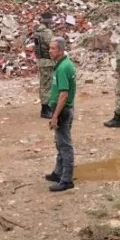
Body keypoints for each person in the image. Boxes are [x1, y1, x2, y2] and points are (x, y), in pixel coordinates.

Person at [45, 37, 76, 192]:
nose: (50, 51)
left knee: (64, 145)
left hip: (62, 110)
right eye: (50, 48)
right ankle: (58, 172)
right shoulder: (64, 64)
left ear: (61, 50)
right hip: (64, 108)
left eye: (53, 49)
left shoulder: (63, 67)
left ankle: (66, 179)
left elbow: (64, 94)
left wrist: (55, 115)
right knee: (60, 142)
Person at [33, 13, 55, 119]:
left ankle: (45, 108)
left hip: (41, 60)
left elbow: (37, 47)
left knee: (44, 84)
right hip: (48, 61)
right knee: (47, 85)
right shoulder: (47, 32)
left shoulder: (37, 32)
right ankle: (45, 109)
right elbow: (53, 45)